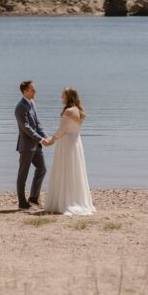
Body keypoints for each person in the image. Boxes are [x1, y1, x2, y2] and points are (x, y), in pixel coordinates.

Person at [45, 86, 95, 215]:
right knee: (75, 171)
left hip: (66, 143)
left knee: (65, 170)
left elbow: (62, 130)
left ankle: (66, 201)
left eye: (63, 95)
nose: (61, 98)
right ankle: (76, 199)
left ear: (68, 97)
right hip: (75, 142)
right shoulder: (78, 111)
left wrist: (51, 139)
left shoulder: (68, 112)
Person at [14, 80, 51, 210]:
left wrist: (46, 136)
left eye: (34, 89)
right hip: (26, 146)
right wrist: (41, 139)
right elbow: (26, 127)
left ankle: (34, 198)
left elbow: (37, 123)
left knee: (42, 169)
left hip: (36, 145)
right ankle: (22, 203)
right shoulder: (20, 106)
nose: (35, 91)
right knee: (23, 174)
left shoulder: (32, 103)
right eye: (32, 90)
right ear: (25, 91)